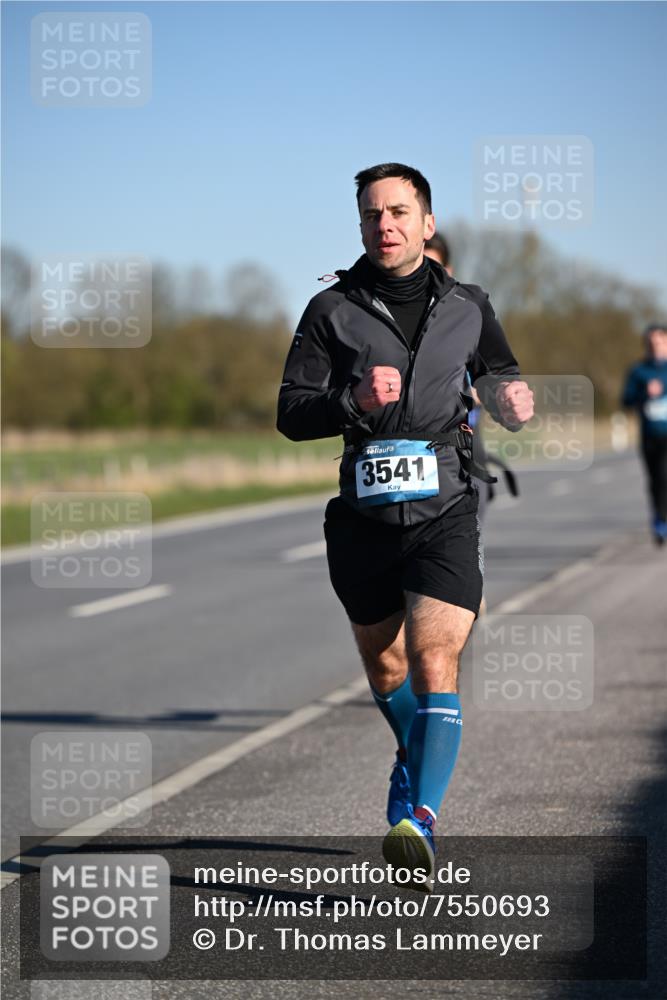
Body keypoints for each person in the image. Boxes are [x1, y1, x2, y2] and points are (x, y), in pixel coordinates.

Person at [277, 163, 533, 889]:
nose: (382, 225)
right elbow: (291, 413)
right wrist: (351, 399)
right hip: (361, 520)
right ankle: (413, 757)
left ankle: (418, 817)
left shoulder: (469, 305)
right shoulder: (330, 310)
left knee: (433, 660)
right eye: (370, 215)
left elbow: (498, 376)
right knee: (388, 670)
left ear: (425, 222)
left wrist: (511, 401)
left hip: (445, 511)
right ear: (360, 226)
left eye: (397, 212)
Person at [621, 323, 667, 545]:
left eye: (658, 341)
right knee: (656, 479)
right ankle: (659, 520)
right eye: (650, 342)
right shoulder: (638, 371)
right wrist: (644, 393)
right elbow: (626, 400)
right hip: (650, 436)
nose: (654, 346)